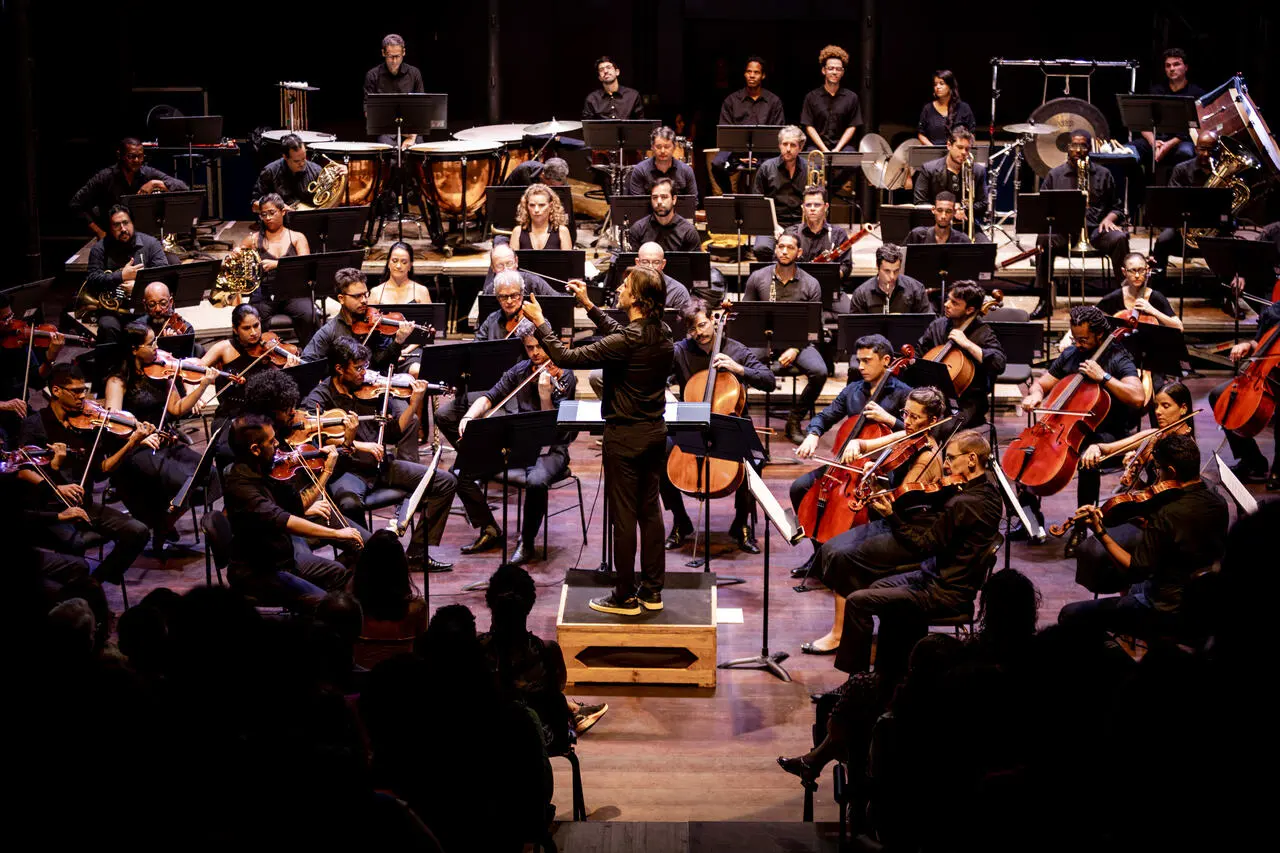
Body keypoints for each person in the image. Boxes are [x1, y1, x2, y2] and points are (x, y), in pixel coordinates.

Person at [521, 267, 673, 616]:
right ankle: (652, 591)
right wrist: (588, 305)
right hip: (654, 433)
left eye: (625, 285)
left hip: (625, 438)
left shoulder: (628, 340)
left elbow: (565, 358)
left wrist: (542, 322)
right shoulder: (661, 330)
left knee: (624, 517)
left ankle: (624, 596)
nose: (619, 288)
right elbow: (622, 333)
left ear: (636, 298)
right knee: (650, 513)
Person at [832, 429, 1004, 676]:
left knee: (858, 601)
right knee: (879, 588)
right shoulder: (988, 491)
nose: (945, 466)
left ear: (972, 460)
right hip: (939, 577)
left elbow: (923, 546)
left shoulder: (963, 503)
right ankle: (890, 675)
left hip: (943, 591)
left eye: (951, 458)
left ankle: (856, 681)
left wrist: (892, 515)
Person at [798, 386, 948, 655]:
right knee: (833, 548)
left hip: (909, 532)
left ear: (933, 421)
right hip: (895, 521)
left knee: (842, 555)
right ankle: (847, 625)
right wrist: (863, 453)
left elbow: (898, 504)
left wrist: (877, 485)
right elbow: (874, 446)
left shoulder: (928, 456)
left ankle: (840, 634)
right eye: (906, 414)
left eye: (915, 417)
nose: (908, 421)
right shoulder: (910, 434)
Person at [302, 340, 455, 572]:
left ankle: (416, 552)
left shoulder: (373, 390)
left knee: (444, 482)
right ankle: (367, 558)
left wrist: (414, 403)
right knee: (348, 503)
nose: (366, 374)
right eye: (358, 368)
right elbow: (311, 433)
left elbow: (395, 432)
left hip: (382, 465)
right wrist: (357, 444)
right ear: (339, 369)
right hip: (349, 470)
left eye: (366, 367)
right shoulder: (320, 397)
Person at [1059, 433, 1228, 642]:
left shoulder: (1167, 514)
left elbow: (1136, 570)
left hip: (1163, 609)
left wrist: (1100, 532)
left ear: (1172, 471)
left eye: (1158, 469)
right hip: (1200, 603)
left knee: (1070, 615)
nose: (1156, 475)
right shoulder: (1218, 501)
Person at [1019, 305, 1145, 556]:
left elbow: (1138, 396)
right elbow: (1042, 384)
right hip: (1066, 428)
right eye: (1074, 337)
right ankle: (1030, 519)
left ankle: (1081, 526)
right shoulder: (1071, 354)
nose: (1077, 343)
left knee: (1089, 459)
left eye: (1083, 339)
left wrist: (1105, 377)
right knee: (1025, 452)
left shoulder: (1119, 357)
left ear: (1100, 334)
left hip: (1106, 432)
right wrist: (1035, 395)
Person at [15, 363, 149, 589]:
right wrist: (57, 489)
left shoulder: (88, 425)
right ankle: (75, 597)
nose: (82, 397)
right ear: (56, 391)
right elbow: (22, 470)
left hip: (83, 505)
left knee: (138, 531)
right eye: (75, 391)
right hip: (50, 509)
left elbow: (102, 470)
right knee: (75, 546)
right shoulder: (35, 424)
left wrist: (132, 442)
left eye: (83, 390)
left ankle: (95, 582)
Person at [660, 298, 776, 553]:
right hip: (692, 424)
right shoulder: (680, 350)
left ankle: (740, 524)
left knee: (754, 461)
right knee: (658, 452)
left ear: (713, 319)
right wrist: (665, 394)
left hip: (729, 425)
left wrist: (739, 369)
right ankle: (681, 521)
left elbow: (769, 380)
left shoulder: (736, 350)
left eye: (702, 325)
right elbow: (656, 378)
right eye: (692, 329)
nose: (698, 333)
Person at [790, 334, 912, 575]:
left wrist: (890, 419)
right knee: (800, 488)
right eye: (859, 361)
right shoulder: (853, 390)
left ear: (887, 360)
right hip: (846, 467)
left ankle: (866, 560)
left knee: (874, 508)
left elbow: (917, 430)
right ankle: (819, 554)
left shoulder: (904, 394)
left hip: (884, 469)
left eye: (867, 361)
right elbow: (825, 416)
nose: (861, 367)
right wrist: (813, 433)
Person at [456, 330, 577, 565]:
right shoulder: (520, 370)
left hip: (551, 447)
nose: (536, 353)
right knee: (462, 472)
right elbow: (490, 397)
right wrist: (469, 416)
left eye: (539, 347)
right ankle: (489, 528)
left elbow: (554, 427)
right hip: (520, 442)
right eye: (530, 348)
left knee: (536, 481)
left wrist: (545, 396)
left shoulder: (564, 375)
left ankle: (527, 541)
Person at [223, 414, 362, 609]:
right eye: (271, 442)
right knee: (328, 605)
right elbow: (287, 521)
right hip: (259, 572)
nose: (278, 444)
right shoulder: (241, 488)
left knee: (339, 573)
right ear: (255, 449)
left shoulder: (265, 469)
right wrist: (337, 533)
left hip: (283, 558)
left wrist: (325, 470)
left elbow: (296, 505)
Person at [103, 321, 217, 547]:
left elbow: (176, 408)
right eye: (151, 343)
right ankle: (160, 522)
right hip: (135, 448)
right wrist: (140, 435)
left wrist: (203, 385)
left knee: (210, 474)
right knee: (184, 481)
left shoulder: (162, 372)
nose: (157, 346)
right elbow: (114, 422)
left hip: (165, 442)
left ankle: (164, 523)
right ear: (135, 349)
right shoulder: (117, 382)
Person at [1076, 381, 1197, 593]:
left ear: (1184, 408)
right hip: (1143, 512)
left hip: (1160, 523)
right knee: (1094, 541)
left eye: (1166, 406)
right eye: (1156, 406)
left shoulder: (1184, 448)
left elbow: (1169, 495)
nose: (1158, 412)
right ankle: (1126, 591)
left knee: (1095, 550)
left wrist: (1140, 481)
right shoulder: (1156, 435)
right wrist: (1097, 449)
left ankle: (1129, 591)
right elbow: (1112, 448)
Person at [743, 232, 827, 443]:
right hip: (764, 340)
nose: (784, 251)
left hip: (797, 343)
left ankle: (794, 419)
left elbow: (814, 328)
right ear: (775, 249)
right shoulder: (758, 278)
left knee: (820, 371)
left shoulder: (811, 284)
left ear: (799, 252)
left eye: (790, 247)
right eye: (781, 246)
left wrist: (796, 349)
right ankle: (741, 421)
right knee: (738, 366)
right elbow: (746, 317)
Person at [1035, 130, 1130, 297]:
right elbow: (1042, 208)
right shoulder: (1055, 175)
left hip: (1096, 232)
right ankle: (1044, 300)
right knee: (1044, 239)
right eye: (1074, 145)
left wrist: (1109, 219)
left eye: (1083, 146)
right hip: (1065, 233)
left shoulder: (1103, 174)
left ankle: (1122, 297)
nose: (1078, 150)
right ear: (1067, 148)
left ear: (1089, 148)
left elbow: (1117, 208)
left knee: (1120, 238)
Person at [1207, 298, 1279, 489]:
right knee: (1219, 395)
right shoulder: (1277, 310)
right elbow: (1262, 341)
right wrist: (1250, 344)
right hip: (1264, 375)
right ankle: (1252, 461)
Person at [914, 280, 1007, 428]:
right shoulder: (938, 325)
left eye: (954, 303)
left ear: (970, 310)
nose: (946, 304)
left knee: (941, 428)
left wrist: (968, 344)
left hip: (967, 401)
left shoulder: (983, 333)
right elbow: (919, 354)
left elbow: (999, 363)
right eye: (948, 299)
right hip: (931, 396)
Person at [233, 192, 320, 345]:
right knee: (250, 317)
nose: (268, 218)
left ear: (283, 212)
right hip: (264, 293)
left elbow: (305, 265)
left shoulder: (297, 237)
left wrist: (278, 264)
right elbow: (236, 260)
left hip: (294, 292)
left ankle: (311, 355)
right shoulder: (252, 240)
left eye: (272, 213)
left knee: (309, 314)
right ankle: (258, 357)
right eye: (263, 214)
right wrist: (236, 254)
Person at [70, 138, 188, 238]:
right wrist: (99, 232)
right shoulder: (105, 177)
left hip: (143, 236)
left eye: (140, 156)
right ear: (120, 155)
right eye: (131, 156)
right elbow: (76, 204)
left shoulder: (147, 173)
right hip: (113, 237)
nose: (136, 160)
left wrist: (154, 183)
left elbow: (183, 188)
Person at [84, 205, 169, 344]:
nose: (123, 229)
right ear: (110, 228)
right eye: (116, 225)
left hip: (146, 308)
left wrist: (139, 288)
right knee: (107, 327)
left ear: (133, 223)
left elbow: (163, 275)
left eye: (126, 223)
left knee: (164, 321)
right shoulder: (99, 249)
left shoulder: (151, 244)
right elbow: (92, 280)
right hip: (114, 311)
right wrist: (121, 276)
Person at [302, 268, 415, 370]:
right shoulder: (329, 331)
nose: (364, 300)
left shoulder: (376, 324)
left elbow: (383, 363)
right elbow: (307, 360)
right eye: (357, 296)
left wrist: (398, 342)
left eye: (366, 294)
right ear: (341, 298)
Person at [1150, 130, 1220, 286]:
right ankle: (1157, 288)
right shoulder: (1181, 169)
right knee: (1163, 240)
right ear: (1196, 149)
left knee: (1229, 243)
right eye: (1202, 149)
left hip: (1213, 224)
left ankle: (1225, 292)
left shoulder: (1222, 172)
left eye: (1211, 150)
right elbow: (1172, 203)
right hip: (1182, 225)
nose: (1206, 154)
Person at [712, 56, 785, 194]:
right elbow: (725, 134)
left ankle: (765, 202)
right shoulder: (732, 101)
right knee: (717, 164)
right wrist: (739, 156)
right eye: (749, 72)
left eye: (756, 72)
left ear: (763, 75)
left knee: (778, 164)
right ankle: (729, 195)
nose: (752, 75)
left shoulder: (774, 102)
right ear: (744, 74)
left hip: (764, 154)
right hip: (735, 153)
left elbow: (778, 134)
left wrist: (760, 155)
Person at [1133, 48, 1205, 174]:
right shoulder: (1156, 91)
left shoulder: (1197, 93)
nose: (1172, 68)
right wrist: (1153, 142)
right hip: (1157, 139)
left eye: (1176, 64)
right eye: (1168, 66)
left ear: (1186, 67)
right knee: (1130, 151)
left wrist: (1168, 145)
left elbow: (1197, 127)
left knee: (1185, 152)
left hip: (1183, 140)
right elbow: (1143, 122)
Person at [800, 45, 863, 189]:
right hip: (817, 145)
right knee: (808, 164)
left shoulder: (851, 97)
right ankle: (819, 193)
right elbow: (809, 126)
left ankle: (830, 190)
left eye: (838, 69)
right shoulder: (812, 97)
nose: (834, 72)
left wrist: (837, 149)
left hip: (842, 146)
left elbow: (852, 125)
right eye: (831, 68)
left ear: (843, 72)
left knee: (854, 163)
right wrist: (824, 150)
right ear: (824, 71)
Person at [911, 126, 989, 240]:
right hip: (935, 225)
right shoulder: (929, 169)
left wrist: (963, 209)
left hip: (966, 225)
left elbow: (983, 204)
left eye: (967, 149)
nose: (964, 152)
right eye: (960, 147)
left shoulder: (977, 171)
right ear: (949, 146)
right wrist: (948, 210)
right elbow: (920, 203)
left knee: (986, 248)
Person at [752, 125, 807, 261]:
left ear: (800, 147)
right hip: (772, 223)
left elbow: (817, 201)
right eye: (785, 144)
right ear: (779, 145)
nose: (788, 149)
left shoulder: (810, 168)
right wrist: (773, 225)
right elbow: (758, 202)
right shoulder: (766, 168)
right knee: (761, 249)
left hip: (800, 223)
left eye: (793, 145)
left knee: (804, 253)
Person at [364, 34, 425, 148]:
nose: (394, 61)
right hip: (385, 128)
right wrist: (399, 130)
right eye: (390, 56)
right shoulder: (372, 75)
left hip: (412, 128)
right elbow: (369, 112)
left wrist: (412, 137)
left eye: (398, 56)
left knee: (418, 152)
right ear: (383, 53)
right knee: (387, 151)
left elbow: (421, 109)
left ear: (404, 53)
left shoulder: (414, 73)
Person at [1097, 253, 1183, 330]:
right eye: (1132, 271)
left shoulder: (1156, 297)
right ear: (1124, 272)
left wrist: (1152, 310)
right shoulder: (1115, 297)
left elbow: (1179, 327)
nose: (1137, 275)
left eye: (1141, 270)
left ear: (1147, 270)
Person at [848, 243, 932, 315]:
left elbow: (928, 324)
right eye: (887, 271)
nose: (892, 276)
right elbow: (855, 329)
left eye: (896, 271)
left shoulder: (916, 289)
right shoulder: (861, 294)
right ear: (877, 266)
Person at [252, 133, 327, 210]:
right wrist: (278, 208)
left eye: (304, 158)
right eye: (296, 161)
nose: (302, 164)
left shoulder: (316, 170)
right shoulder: (270, 172)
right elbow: (255, 204)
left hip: (309, 218)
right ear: (285, 157)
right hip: (280, 219)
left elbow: (327, 202)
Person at [624, 178, 700, 254]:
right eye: (655, 197)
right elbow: (632, 263)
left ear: (674, 199)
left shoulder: (689, 232)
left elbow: (696, 265)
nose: (659, 201)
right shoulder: (638, 229)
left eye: (664, 197)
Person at [795, 185, 852, 278]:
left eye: (817, 205)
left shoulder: (838, 234)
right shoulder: (792, 233)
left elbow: (846, 266)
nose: (812, 208)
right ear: (803, 208)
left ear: (826, 207)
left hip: (828, 285)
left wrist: (827, 275)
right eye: (808, 205)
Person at [626, 127, 696, 199]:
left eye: (667, 147)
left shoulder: (686, 171)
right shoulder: (640, 170)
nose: (662, 151)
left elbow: (693, 203)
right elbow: (638, 204)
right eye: (658, 147)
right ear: (652, 147)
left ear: (674, 147)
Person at [916, 70, 976, 146]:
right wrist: (932, 149)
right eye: (935, 84)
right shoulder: (927, 109)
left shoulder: (964, 108)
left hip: (958, 153)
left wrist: (961, 149)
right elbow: (921, 134)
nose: (937, 87)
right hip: (933, 153)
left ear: (950, 86)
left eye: (941, 83)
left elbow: (972, 133)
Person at [510, 183, 573, 251]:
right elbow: (510, 260)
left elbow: (569, 261)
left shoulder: (562, 231)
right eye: (532, 205)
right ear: (526, 206)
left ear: (551, 206)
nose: (536, 210)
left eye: (541, 205)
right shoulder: (517, 231)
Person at [582, 55, 644, 120]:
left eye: (608, 67)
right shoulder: (592, 99)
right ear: (600, 78)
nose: (605, 71)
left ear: (617, 72)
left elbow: (640, 124)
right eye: (601, 69)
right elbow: (587, 127)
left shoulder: (633, 95)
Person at [480, 244, 557, 296]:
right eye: (500, 266)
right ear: (493, 268)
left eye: (509, 263)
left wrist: (569, 290)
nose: (506, 270)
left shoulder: (533, 282)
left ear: (516, 262)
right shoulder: (489, 291)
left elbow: (558, 299)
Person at [903, 191, 971, 246]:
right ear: (933, 210)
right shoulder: (917, 235)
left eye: (948, 211)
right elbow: (900, 258)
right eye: (939, 210)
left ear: (954, 212)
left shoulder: (963, 240)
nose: (943, 216)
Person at [503, 156, 569, 189]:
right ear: (543, 176)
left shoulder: (559, 175)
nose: (554, 188)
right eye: (552, 184)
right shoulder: (524, 170)